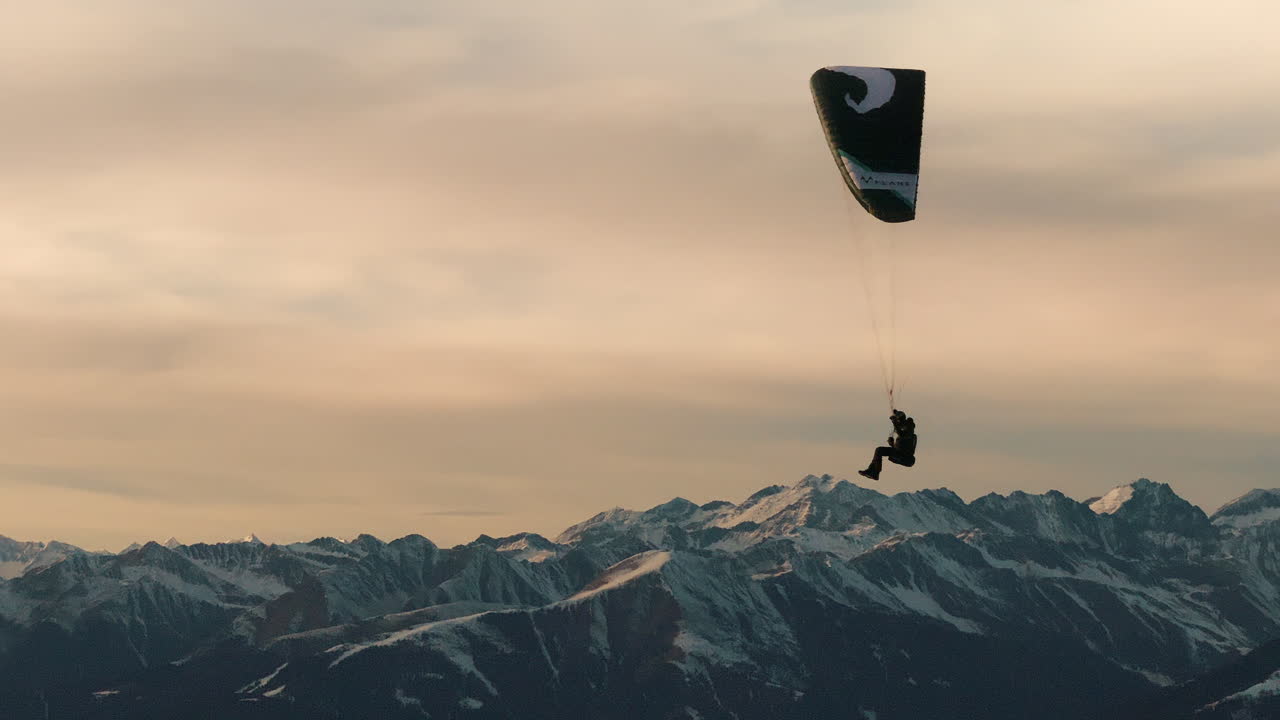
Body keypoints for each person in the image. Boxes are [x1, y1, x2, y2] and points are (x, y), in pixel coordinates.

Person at [858, 409, 917, 481]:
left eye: (899, 422)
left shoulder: (910, 428)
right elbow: (902, 444)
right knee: (879, 450)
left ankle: (874, 473)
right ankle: (872, 471)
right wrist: (892, 444)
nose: (898, 425)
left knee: (879, 450)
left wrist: (894, 422)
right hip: (901, 455)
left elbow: (902, 433)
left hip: (905, 458)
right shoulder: (906, 430)